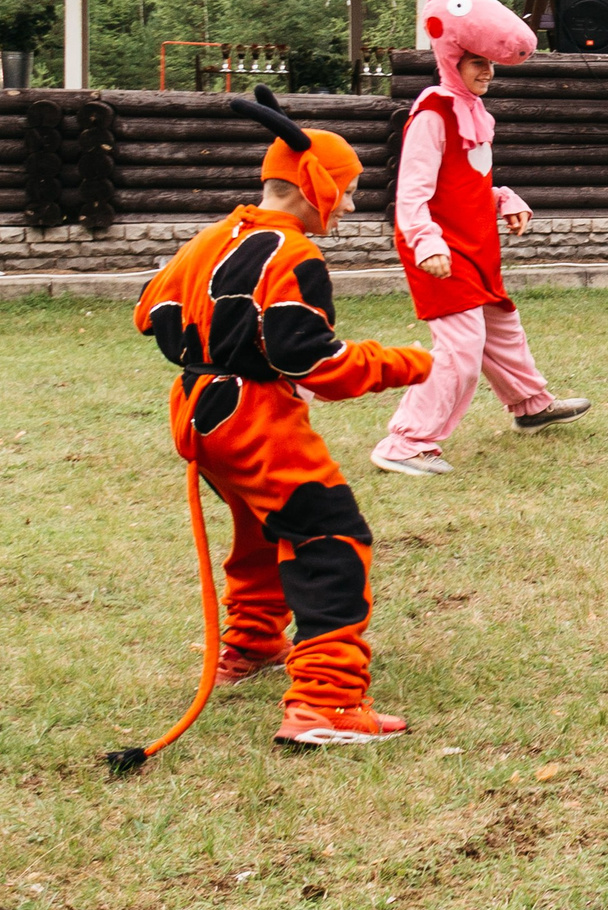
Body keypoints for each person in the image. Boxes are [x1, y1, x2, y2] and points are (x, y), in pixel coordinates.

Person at [133, 88, 434, 747]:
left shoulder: (213, 236)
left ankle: (251, 642)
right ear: (313, 182)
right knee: (331, 538)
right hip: (256, 418)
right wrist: (406, 363)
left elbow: (149, 313)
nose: (349, 205)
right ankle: (325, 702)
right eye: (347, 190)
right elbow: (312, 360)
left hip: (198, 414)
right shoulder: (294, 254)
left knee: (264, 529)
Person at [372, 0, 589, 477]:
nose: (487, 71)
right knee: (460, 351)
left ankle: (531, 405)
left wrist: (504, 198)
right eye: (476, 63)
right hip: (440, 249)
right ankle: (405, 442)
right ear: (453, 61)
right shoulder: (433, 111)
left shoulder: (474, 111)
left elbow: (465, 185)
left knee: (501, 329)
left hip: (475, 245)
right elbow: (412, 192)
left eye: (489, 63)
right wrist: (426, 242)